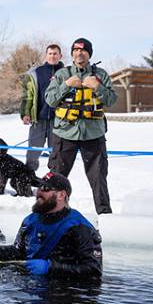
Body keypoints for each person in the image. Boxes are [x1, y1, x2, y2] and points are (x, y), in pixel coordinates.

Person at [0, 172, 103, 278]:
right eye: (38, 187)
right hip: (30, 292)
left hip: (65, 295)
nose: (39, 192)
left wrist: (50, 268)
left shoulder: (80, 227)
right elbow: (18, 253)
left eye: (45, 188)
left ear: (61, 195)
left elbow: (94, 269)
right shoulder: (30, 221)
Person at [45, 38, 117, 214]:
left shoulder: (101, 75)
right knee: (55, 180)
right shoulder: (62, 74)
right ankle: (49, 215)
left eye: (83, 50)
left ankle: (105, 217)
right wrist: (66, 85)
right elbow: (50, 100)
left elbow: (111, 100)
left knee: (99, 179)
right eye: (75, 50)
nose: (79, 53)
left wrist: (98, 87)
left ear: (89, 54)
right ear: (72, 54)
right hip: (65, 134)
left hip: (94, 135)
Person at [20, 44, 64, 172]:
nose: (52, 56)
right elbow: (28, 96)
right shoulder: (36, 73)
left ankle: (54, 178)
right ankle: (29, 176)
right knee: (33, 151)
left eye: (55, 54)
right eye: (50, 53)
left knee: (56, 152)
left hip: (58, 120)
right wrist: (25, 113)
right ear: (46, 55)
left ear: (60, 56)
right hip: (38, 119)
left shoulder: (66, 73)